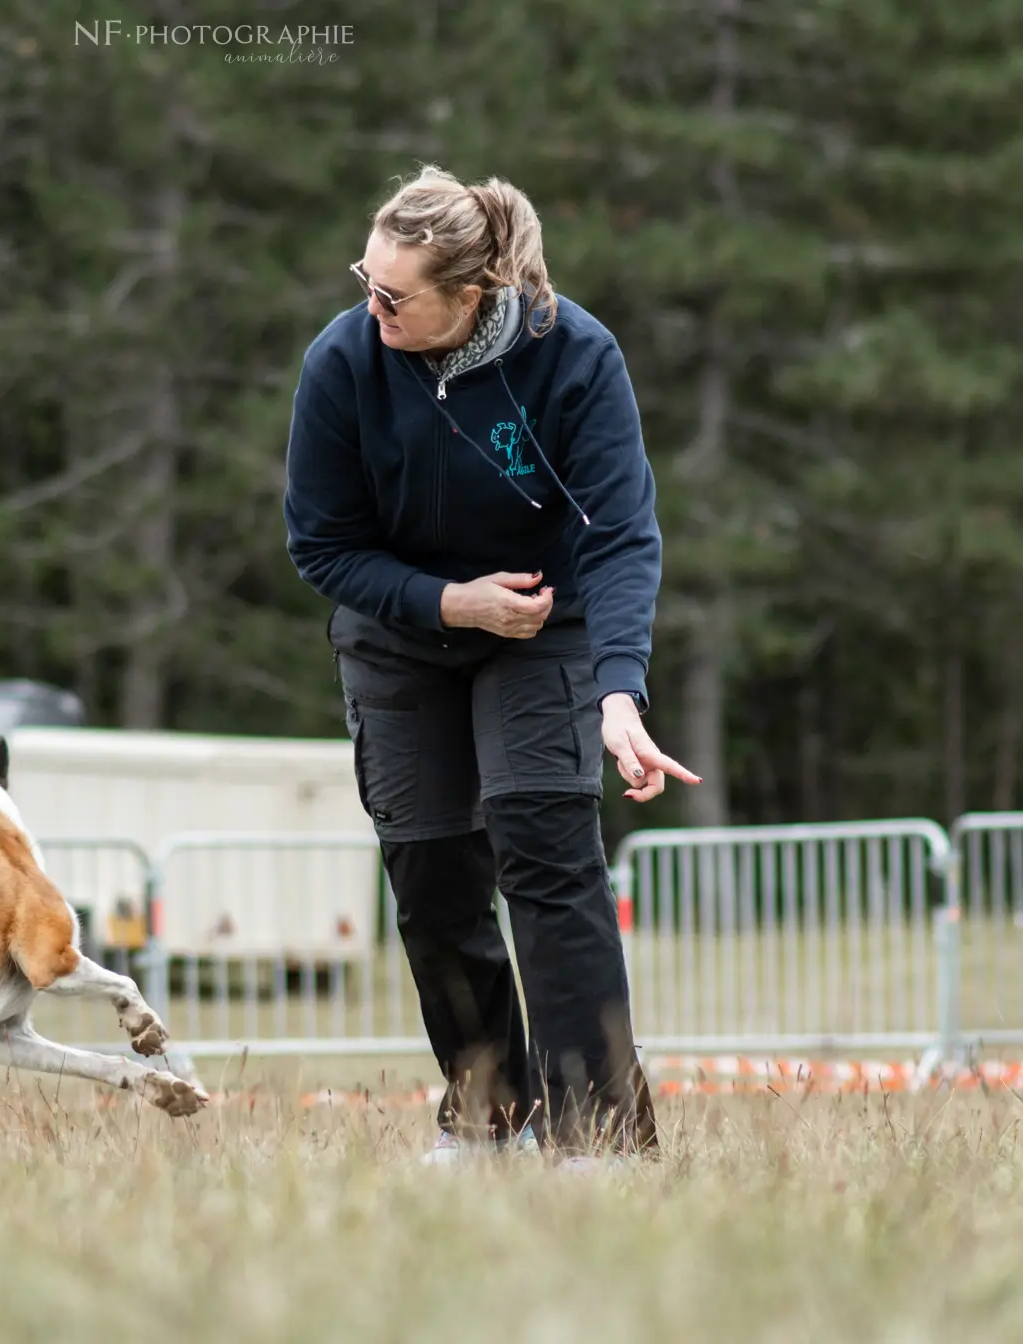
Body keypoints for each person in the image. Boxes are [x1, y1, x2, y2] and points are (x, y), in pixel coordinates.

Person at [281, 165, 699, 1162]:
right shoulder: (343, 362)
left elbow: (621, 536)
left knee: (545, 850)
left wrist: (618, 693)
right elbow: (320, 545)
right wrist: (443, 600)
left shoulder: (575, 358)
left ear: (471, 297)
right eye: (363, 280)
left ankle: (598, 1138)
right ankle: (488, 1114)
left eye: (394, 294)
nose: (369, 306)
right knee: (430, 878)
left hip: (541, 631)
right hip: (398, 638)